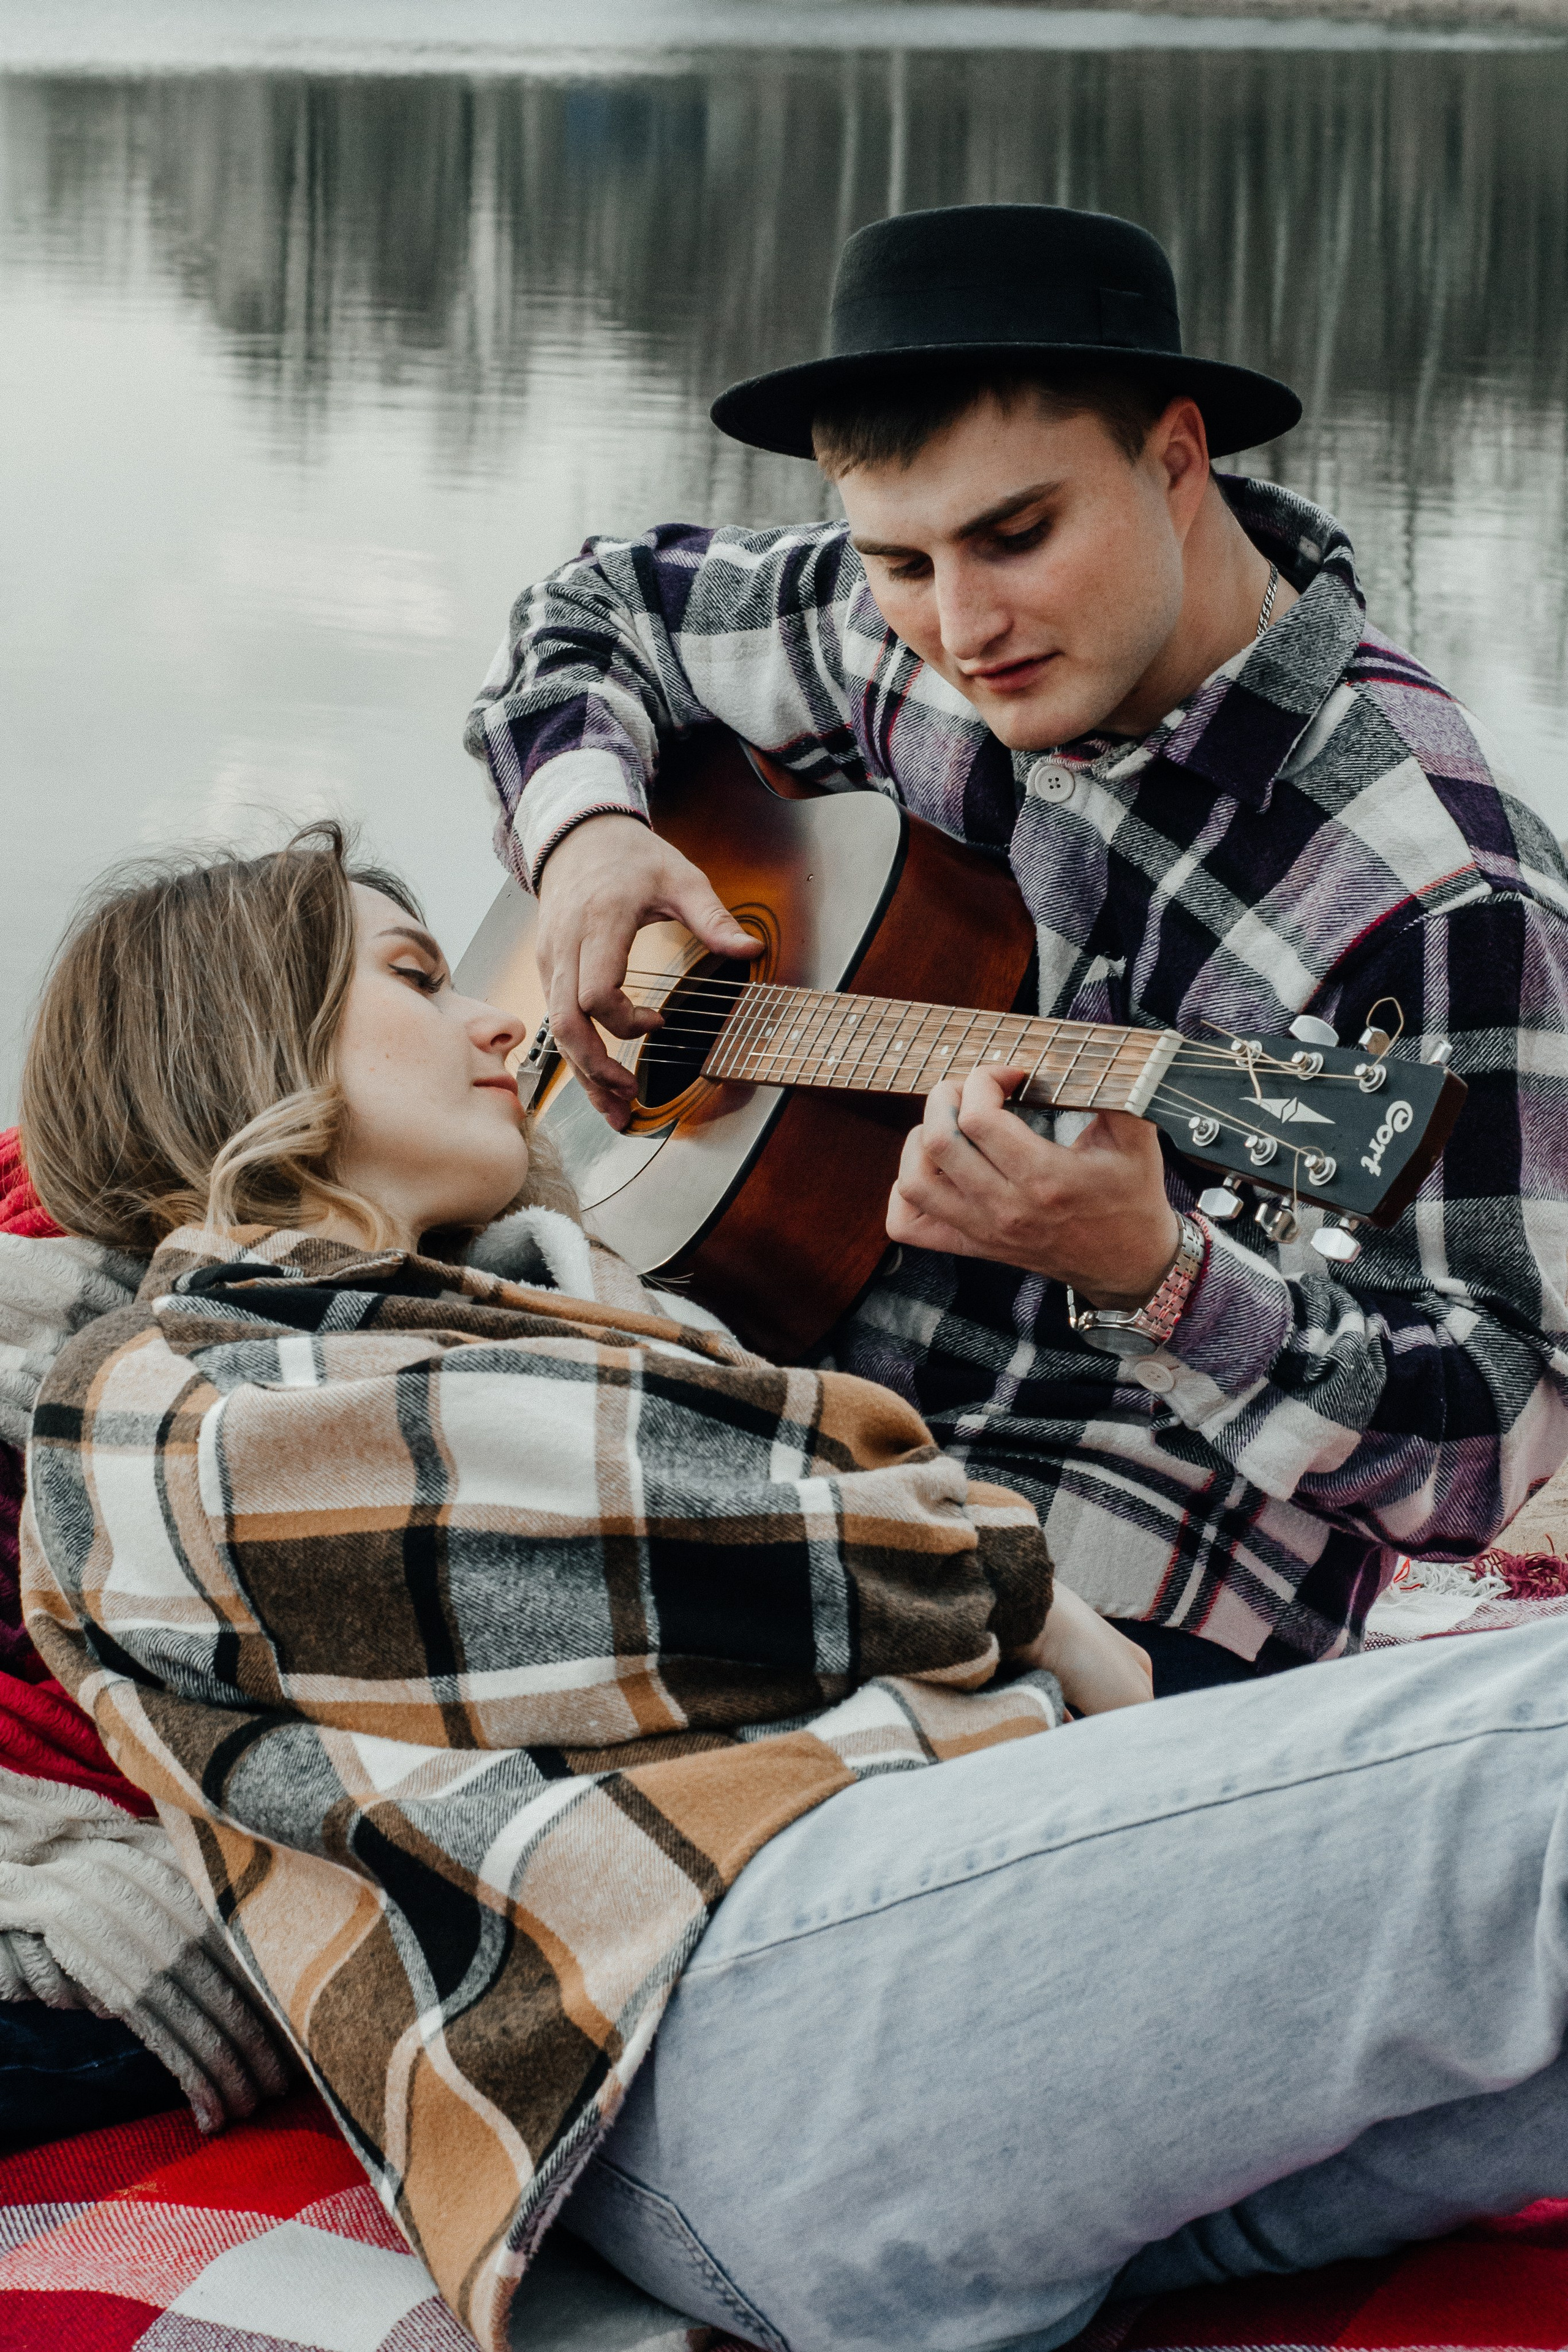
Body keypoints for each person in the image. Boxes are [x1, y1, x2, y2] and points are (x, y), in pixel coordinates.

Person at [17, 829, 1568, 2352]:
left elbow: (815, 1497)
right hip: (699, 2037)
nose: (501, 1015)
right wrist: (1036, 1600)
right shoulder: (155, 1394)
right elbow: (785, 1544)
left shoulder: (523, 1302)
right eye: (417, 978)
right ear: (235, 1039)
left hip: (881, 2010)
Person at [464, 202, 1568, 1698]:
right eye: (900, 561)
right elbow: (594, 609)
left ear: (1175, 461)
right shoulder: (894, 627)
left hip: (1128, 1575)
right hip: (765, 1410)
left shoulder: (1437, 891)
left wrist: (1161, 1273)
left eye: (1015, 536)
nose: (961, 627)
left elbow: (1488, 1443)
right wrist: (586, 835)